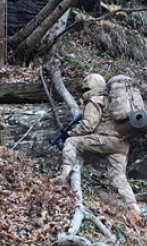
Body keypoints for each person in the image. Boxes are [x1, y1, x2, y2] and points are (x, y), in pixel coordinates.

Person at [59, 74, 142, 214]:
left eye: (85, 88)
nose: (83, 91)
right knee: (119, 177)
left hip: (106, 140)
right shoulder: (115, 101)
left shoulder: (96, 99)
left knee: (71, 142)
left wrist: (71, 133)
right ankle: (134, 207)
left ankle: (64, 174)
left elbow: (88, 125)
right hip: (122, 143)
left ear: (92, 86)